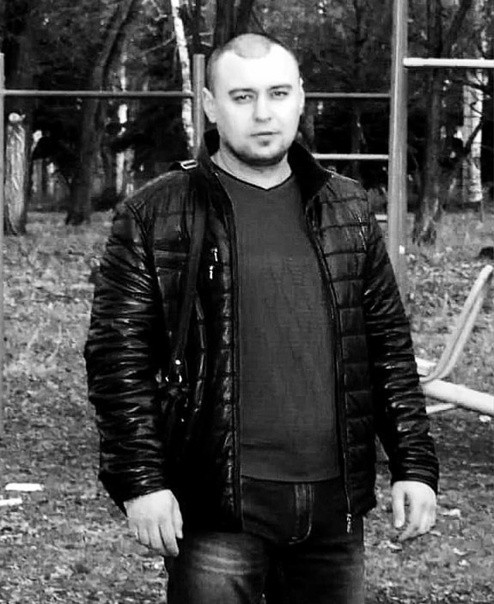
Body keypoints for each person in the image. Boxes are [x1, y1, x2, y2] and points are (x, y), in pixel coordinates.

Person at [85, 33, 439, 604]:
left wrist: (414, 466)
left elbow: (387, 348)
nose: (264, 113)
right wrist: (141, 481)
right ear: (210, 105)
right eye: (243, 97)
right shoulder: (156, 212)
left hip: (334, 507)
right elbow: (116, 359)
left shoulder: (347, 207)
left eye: (278, 93)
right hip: (218, 506)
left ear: (301, 97)